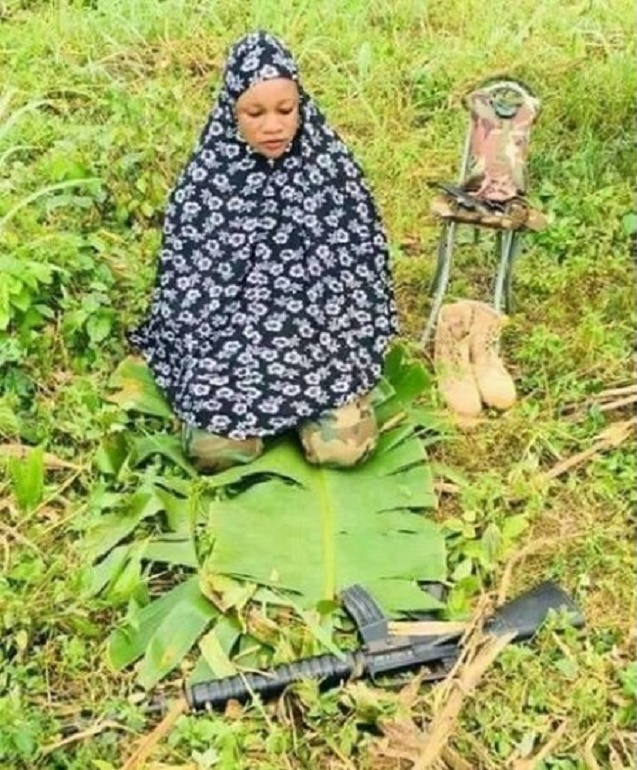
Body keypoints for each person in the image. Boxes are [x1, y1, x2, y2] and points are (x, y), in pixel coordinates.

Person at [129, 31, 398, 473]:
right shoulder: (205, 184)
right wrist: (219, 364)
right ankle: (260, 423)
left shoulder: (333, 174)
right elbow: (188, 297)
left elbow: (359, 284)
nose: (272, 125)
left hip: (317, 347)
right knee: (214, 453)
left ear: (301, 107)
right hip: (231, 353)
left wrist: (326, 349)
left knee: (343, 449)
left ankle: (309, 414)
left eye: (285, 110)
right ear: (231, 111)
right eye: (254, 113)